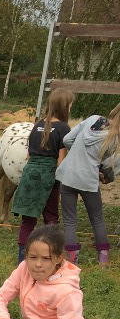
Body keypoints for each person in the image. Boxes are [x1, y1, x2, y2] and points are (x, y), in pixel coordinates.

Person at [11, 88, 73, 262]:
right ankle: (51, 257)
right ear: (64, 106)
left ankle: (21, 260)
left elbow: (30, 155)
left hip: (30, 174)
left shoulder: (38, 124)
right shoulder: (63, 128)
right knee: (51, 218)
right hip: (49, 176)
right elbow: (61, 161)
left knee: (28, 219)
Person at [55, 102, 120, 267]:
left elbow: (67, 139)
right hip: (89, 180)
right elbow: (104, 163)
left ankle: (71, 259)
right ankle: (103, 259)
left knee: (69, 220)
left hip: (68, 175)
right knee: (97, 218)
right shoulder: (114, 140)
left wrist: (76, 150)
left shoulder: (93, 119)